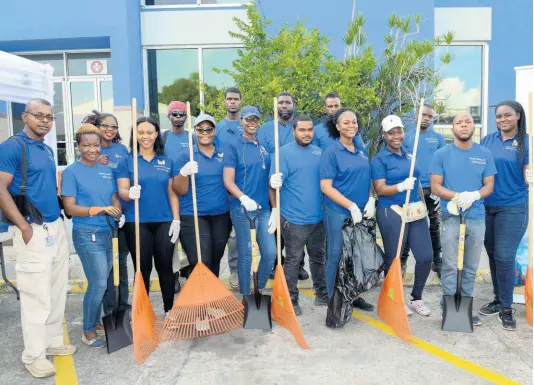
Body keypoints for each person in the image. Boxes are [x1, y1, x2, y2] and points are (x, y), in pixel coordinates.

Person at [0, 99, 76, 378]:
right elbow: (1, 189)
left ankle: (52, 341)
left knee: (56, 288)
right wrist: (24, 227)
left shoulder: (44, 147)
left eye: (49, 116)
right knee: (36, 293)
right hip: (32, 227)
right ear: (25, 116)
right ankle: (33, 355)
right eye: (38, 115)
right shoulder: (12, 147)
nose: (45, 120)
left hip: (54, 226)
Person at [430, 113, 496, 327]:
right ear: (452, 129)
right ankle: (449, 307)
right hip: (451, 217)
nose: (464, 125)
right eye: (459, 122)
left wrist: (474, 195)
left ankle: (465, 307)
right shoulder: (441, 154)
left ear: (474, 127)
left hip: (476, 217)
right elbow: (436, 186)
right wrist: (457, 197)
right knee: (449, 265)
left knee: (469, 266)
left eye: (468, 122)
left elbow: (489, 185)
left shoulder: (484, 153)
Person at [61, 124, 122, 348]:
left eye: (96, 145)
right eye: (86, 145)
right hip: (87, 234)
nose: (92, 150)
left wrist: (116, 209)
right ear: (79, 146)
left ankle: (95, 322)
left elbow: (114, 196)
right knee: (97, 283)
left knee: (103, 282)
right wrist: (99, 210)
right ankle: (87, 331)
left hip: (106, 232)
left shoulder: (105, 170)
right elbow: (70, 208)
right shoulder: (71, 172)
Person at [117, 117, 180, 315]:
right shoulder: (127, 161)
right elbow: (122, 190)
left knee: (165, 267)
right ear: (135, 135)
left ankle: (169, 309)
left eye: (150, 132)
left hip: (164, 220)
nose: (145, 136)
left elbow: (172, 192)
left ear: (156, 135)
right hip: (137, 222)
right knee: (142, 269)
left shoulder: (166, 160)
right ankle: (142, 313)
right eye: (141, 132)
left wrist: (176, 219)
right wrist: (129, 194)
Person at [371, 115, 433, 316]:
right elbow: (380, 188)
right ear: (384, 135)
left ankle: (416, 298)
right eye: (391, 132)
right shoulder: (380, 159)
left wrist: (425, 208)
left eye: (399, 131)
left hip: (414, 210)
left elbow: (418, 185)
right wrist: (399, 186)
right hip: (391, 209)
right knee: (394, 257)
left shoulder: (409, 154)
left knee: (425, 256)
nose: (396, 135)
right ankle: (394, 298)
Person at [479, 100, 531, 330]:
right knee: (492, 253)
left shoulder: (527, 142)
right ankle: (499, 298)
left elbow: (528, 169)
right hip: (487, 206)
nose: (502, 120)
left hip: (513, 206)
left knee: (504, 255)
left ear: (518, 116)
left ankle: (507, 308)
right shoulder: (487, 141)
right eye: (499, 116)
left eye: (507, 115)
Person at [269, 115, 328, 316]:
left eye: (310, 130)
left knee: (318, 258)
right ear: (294, 131)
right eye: (302, 130)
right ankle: (291, 299)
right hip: (293, 219)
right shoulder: (282, 154)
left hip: (318, 218)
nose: (307, 133)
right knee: (293, 260)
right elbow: (273, 184)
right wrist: (273, 182)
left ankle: (322, 293)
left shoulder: (319, 153)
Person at [319, 108, 375, 311]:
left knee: (356, 255)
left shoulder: (360, 149)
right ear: (337, 126)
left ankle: (353, 294)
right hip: (337, 211)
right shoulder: (331, 152)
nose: (351, 126)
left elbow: (366, 177)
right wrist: (350, 206)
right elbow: (326, 186)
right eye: (346, 123)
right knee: (336, 254)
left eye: (354, 122)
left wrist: (370, 198)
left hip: (360, 212)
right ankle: (333, 299)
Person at [223, 106, 277, 295]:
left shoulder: (263, 147)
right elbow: (228, 180)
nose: (252, 122)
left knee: (270, 253)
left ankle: (258, 290)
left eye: (255, 119)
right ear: (241, 122)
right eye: (248, 119)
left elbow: (269, 181)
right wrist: (243, 198)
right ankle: (246, 297)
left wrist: (275, 208)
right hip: (242, 209)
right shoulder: (233, 146)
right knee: (246, 256)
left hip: (264, 210)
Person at [82, 110, 131, 316]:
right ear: (96, 126)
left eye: (114, 126)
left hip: (121, 214)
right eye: (106, 126)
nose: (110, 130)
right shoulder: (90, 151)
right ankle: (109, 308)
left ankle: (122, 305)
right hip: (100, 216)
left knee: (121, 262)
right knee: (106, 267)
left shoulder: (121, 149)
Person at [258, 92, 308, 280]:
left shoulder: (299, 127)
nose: (284, 106)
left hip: (296, 183)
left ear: (294, 105)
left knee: (297, 225)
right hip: (273, 182)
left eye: (288, 102)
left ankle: (299, 265)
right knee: (277, 223)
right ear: (276, 106)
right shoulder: (266, 129)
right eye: (281, 103)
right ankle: (277, 263)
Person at [173, 114, 231, 276]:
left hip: (221, 215)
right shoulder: (186, 155)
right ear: (194, 132)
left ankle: (212, 298)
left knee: (215, 259)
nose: (205, 133)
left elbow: (230, 182)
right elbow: (179, 190)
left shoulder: (223, 154)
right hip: (194, 215)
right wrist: (184, 173)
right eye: (200, 130)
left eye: (208, 129)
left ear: (214, 131)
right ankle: (200, 298)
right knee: (201, 261)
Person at [401, 104, 446, 278]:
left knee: (434, 226)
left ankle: (438, 260)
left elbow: (444, 165)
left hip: (432, 190)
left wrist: (440, 189)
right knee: (408, 225)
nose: (427, 118)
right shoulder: (407, 138)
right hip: (412, 190)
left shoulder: (438, 139)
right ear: (415, 116)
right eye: (423, 115)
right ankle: (403, 261)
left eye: (430, 116)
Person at [215, 87, 243, 288]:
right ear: (224, 102)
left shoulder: (248, 125)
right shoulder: (218, 128)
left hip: (246, 188)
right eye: (229, 99)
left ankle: (241, 269)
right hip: (223, 186)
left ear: (240, 102)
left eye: (236, 99)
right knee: (229, 234)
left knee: (241, 234)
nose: (232, 102)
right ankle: (233, 269)